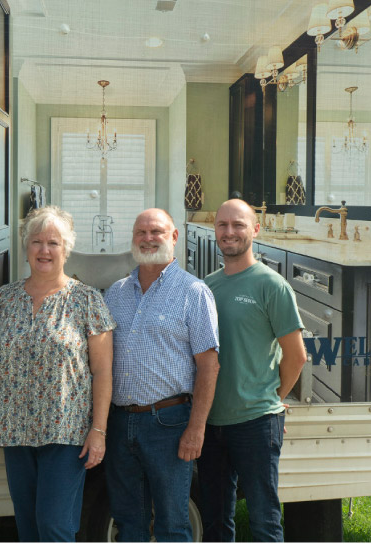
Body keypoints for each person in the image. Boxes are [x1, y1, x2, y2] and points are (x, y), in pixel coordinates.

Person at [0, 205, 115, 542]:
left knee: (54, 526)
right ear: (26, 247)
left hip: (66, 435)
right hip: (14, 430)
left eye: (53, 243)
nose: (44, 250)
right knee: (28, 528)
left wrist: (99, 430)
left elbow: (103, 369)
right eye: (36, 242)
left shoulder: (87, 300)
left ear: (66, 249)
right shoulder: (5, 299)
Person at [103, 208, 220, 542]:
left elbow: (209, 366)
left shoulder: (193, 292)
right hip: (121, 422)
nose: (148, 238)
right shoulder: (116, 292)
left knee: (172, 525)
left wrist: (196, 430)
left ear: (174, 237)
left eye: (156, 231)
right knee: (128, 522)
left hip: (168, 423)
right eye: (141, 232)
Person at [199, 199, 307, 542]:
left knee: (264, 520)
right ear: (215, 230)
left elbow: (297, 356)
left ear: (255, 230)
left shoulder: (271, 286)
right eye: (223, 225)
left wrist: (272, 397)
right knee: (216, 521)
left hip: (256, 423)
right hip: (211, 423)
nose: (229, 232)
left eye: (238, 225)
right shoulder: (205, 286)